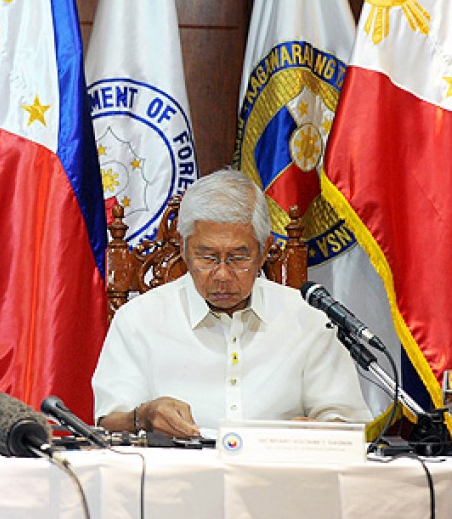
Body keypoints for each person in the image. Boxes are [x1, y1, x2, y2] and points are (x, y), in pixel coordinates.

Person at [92, 168, 371, 437]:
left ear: (263, 252)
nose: (223, 274)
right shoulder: (139, 320)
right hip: (175, 479)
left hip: (280, 479)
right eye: (207, 257)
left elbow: (347, 423)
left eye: (238, 258)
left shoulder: (308, 318)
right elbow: (108, 422)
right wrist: (144, 417)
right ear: (184, 250)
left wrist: (319, 432)